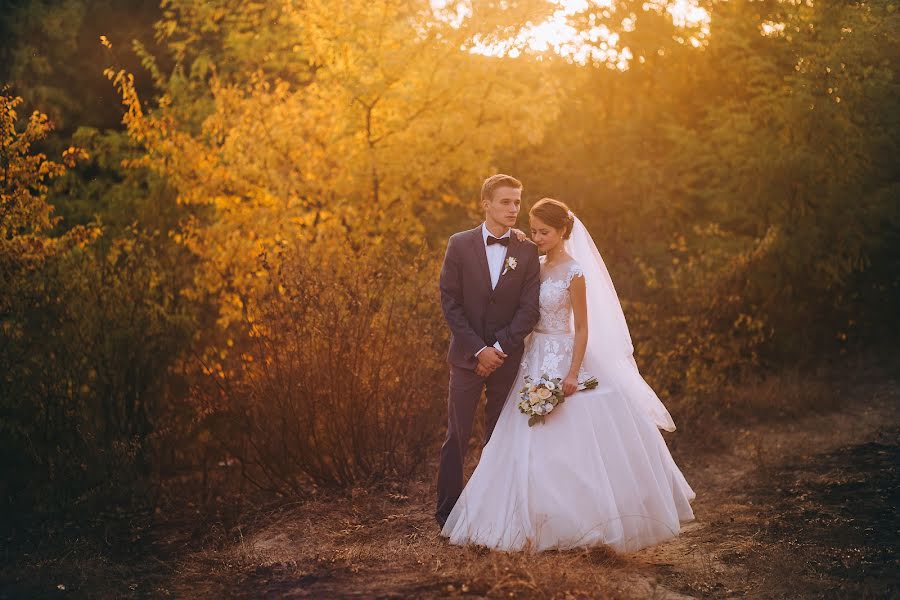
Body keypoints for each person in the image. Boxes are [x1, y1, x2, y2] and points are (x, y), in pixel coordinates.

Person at [440, 197, 696, 552]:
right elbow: (521, 311)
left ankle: (579, 518)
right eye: (534, 231)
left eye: (544, 232)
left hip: (564, 356)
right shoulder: (532, 263)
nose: (537, 237)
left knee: (569, 432)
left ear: (563, 231)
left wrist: (573, 373)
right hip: (532, 358)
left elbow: (582, 329)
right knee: (519, 434)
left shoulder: (575, 272)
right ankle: (520, 513)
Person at [435, 174, 541, 527]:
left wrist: (497, 349)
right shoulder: (459, 244)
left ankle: (493, 514)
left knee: (499, 438)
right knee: (457, 438)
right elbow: (450, 302)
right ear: (486, 204)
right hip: (466, 359)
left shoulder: (526, 250)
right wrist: (479, 350)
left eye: (517, 202)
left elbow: (529, 310)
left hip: (508, 360)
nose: (514, 209)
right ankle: (448, 515)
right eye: (506, 202)